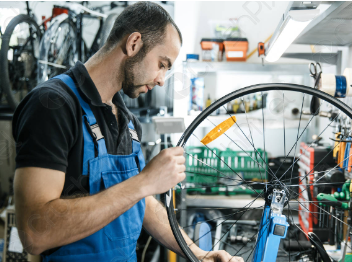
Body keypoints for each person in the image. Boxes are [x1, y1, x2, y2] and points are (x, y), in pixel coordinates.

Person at [12, 2, 243, 262]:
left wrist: (198, 254)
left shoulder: (129, 122)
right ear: (134, 43)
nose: (161, 80)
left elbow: (140, 202)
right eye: (162, 64)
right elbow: (34, 233)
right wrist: (144, 181)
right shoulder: (52, 106)